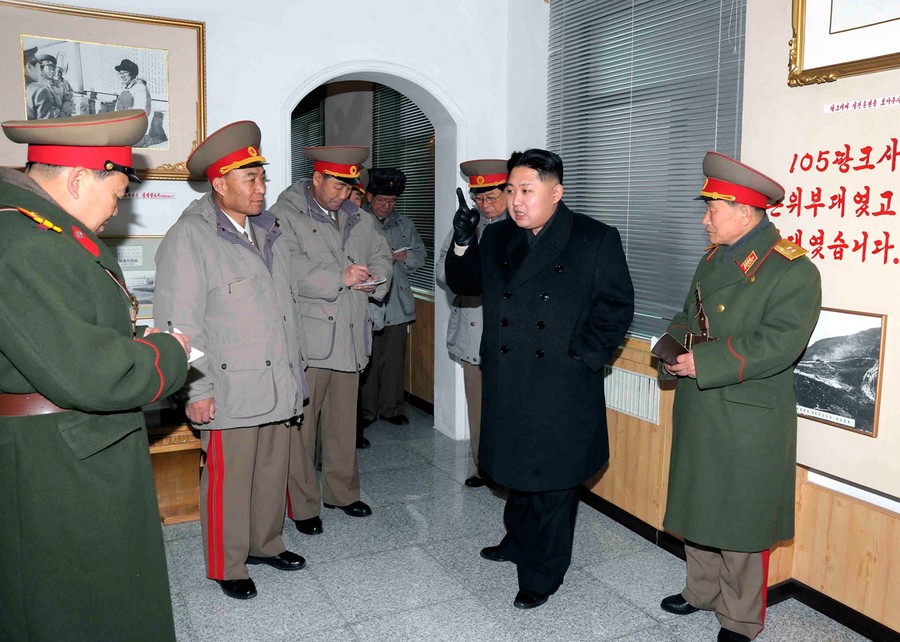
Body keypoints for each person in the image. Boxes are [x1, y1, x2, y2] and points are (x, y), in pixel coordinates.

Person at [0, 109, 191, 640]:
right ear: (80, 180)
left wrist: (131, 338)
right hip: (57, 459)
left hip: (69, 443)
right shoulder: (27, 244)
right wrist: (168, 352)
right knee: (79, 598)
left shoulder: (43, 232)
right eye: (117, 193)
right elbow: (93, 373)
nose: (116, 209)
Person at [445, 148, 634, 609]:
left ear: (556, 192)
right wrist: (464, 241)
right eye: (511, 189)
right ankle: (516, 541)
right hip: (509, 378)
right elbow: (465, 284)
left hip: (560, 384)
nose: (515, 200)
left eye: (526, 190)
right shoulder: (499, 236)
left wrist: (581, 358)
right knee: (515, 467)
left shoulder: (594, 237)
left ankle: (544, 572)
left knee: (552, 480)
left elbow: (616, 308)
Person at [658, 152, 822, 642]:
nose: (704, 220)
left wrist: (704, 363)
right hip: (701, 401)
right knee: (699, 501)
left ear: (745, 212)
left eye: (712, 209)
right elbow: (687, 316)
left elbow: (779, 343)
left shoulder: (793, 270)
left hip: (749, 411)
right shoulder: (713, 258)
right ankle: (700, 590)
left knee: (740, 516)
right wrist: (672, 349)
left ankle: (740, 618)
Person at [154, 121, 308, 600]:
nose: (262, 188)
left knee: (271, 472)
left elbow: (283, 311)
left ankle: (265, 542)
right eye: (251, 179)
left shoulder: (268, 232)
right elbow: (180, 324)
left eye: (262, 177)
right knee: (230, 481)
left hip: (277, 381)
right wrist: (196, 390)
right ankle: (227, 562)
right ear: (220, 184)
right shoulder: (190, 238)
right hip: (229, 387)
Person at [270, 146, 392, 536]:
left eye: (349, 187)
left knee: (343, 424)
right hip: (311, 340)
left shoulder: (360, 217)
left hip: (352, 334)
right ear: (317, 178)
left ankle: (342, 492)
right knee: (302, 430)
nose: (344, 195)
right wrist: (341, 277)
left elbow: (383, 255)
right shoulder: (285, 215)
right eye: (337, 186)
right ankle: (303, 504)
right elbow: (285, 268)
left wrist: (375, 278)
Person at [435, 158, 508, 487]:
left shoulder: (521, 227)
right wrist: (465, 247)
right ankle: (483, 467)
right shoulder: (466, 226)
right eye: (479, 198)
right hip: (473, 332)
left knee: (508, 407)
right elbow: (442, 271)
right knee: (478, 406)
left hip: (508, 335)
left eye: (491, 197)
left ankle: (509, 471)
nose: (485, 204)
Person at [359, 168, 426, 432]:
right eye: (382, 200)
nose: (387, 206)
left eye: (392, 201)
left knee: (394, 360)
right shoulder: (357, 220)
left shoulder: (404, 224)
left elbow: (420, 256)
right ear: (369, 197)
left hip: (397, 302)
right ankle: (366, 412)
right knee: (369, 360)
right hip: (368, 301)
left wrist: (404, 258)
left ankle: (392, 409)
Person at [25, 53, 64, 119]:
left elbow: (67, 98)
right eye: (40, 67)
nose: (52, 71)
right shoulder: (38, 89)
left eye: (53, 69)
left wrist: (65, 112)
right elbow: (46, 121)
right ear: (29, 66)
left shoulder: (59, 83)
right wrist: (61, 115)